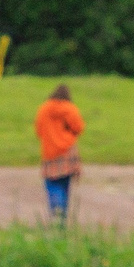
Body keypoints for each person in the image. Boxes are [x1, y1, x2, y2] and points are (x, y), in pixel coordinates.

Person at [35, 84, 84, 224]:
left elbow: (39, 130)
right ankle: (62, 220)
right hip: (68, 151)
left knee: (52, 184)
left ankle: (56, 214)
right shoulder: (70, 108)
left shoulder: (44, 109)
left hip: (50, 152)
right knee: (65, 185)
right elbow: (79, 128)